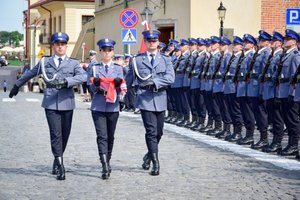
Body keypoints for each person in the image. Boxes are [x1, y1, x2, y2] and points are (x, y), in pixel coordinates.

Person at [9, 32, 86, 180]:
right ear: (53, 46)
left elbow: (83, 76)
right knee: (55, 134)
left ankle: (57, 159)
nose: (60, 47)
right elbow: (31, 73)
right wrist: (17, 85)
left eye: (63, 44)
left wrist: (67, 81)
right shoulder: (45, 62)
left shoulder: (73, 63)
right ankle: (60, 165)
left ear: (66, 46)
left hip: (67, 102)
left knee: (65, 135)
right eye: (57, 44)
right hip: (50, 103)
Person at [126, 29, 175, 176]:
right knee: (151, 131)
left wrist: (154, 82)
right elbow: (129, 78)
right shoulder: (137, 60)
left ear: (158, 42)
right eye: (149, 41)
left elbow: (170, 78)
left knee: (159, 132)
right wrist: (121, 93)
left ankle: (148, 155)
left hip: (160, 98)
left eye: (154, 41)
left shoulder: (166, 60)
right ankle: (155, 163)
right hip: (145, 98)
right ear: (145, 42)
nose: (152, 43)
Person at [89, 38, 126, 179]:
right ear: (100, 52)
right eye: (104, 50)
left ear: (112, 52)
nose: (106, 52)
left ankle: (108, 159)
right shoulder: (94, 68)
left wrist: (117, 84)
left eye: (109, 50)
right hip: (98, 104)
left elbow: (121, 86)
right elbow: (90, 87)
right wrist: (96, 85)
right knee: (101, 136)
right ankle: (104, 164)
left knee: (110, 136)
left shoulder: (118, 69)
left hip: (113, 106)